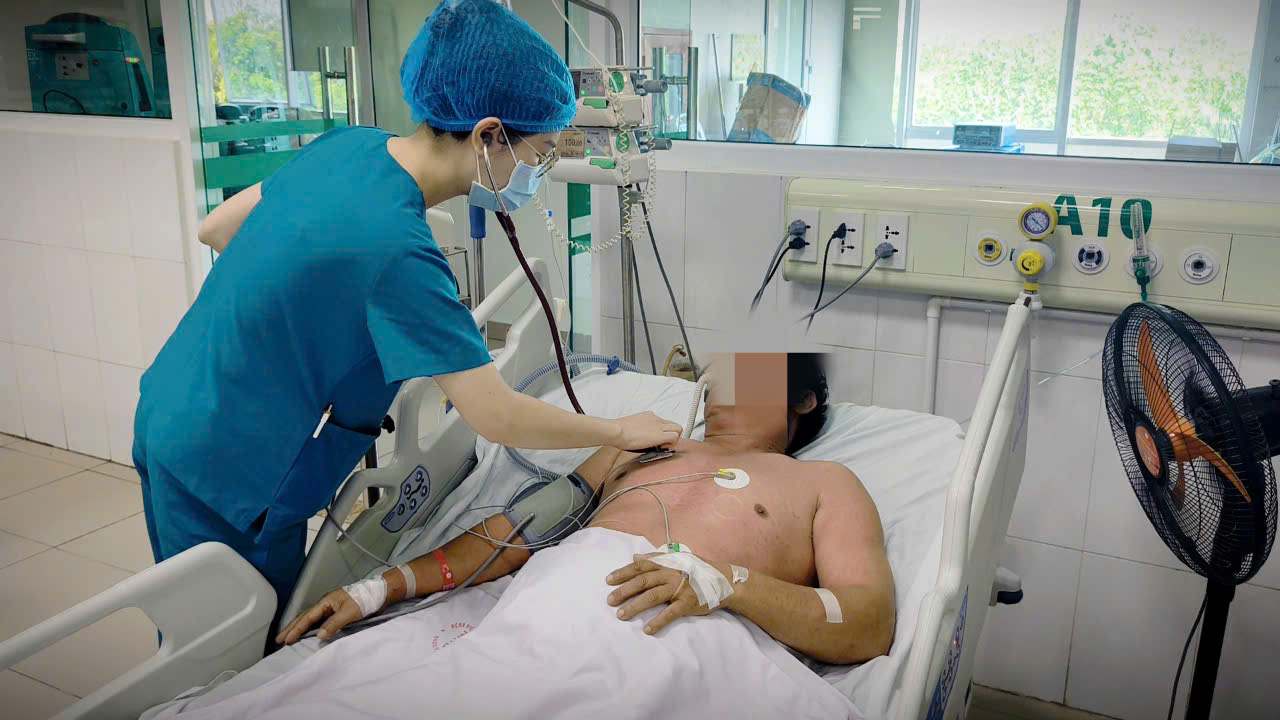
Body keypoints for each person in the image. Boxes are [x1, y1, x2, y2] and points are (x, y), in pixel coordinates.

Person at [132, 0, 680, 623]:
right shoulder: (399, 252)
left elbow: (217, 228)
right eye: (540, 153)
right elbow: (496, 415)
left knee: (199, 620)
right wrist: (618, 433)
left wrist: (328, 302)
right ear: (488, 135)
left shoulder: (349, 146)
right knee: (230, 649)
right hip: (229, 463)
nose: (540, 171)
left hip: (172, 402)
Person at [143, 353, 892, 719]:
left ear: (804, 400)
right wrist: (381, 587)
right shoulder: (641, 446)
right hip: (555, 599)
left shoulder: (824, 484)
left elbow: (865, 621)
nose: (724, 389)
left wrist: (724, 584)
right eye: (720, 376)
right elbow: (515, 534)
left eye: (754, 376)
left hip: (677, 623)